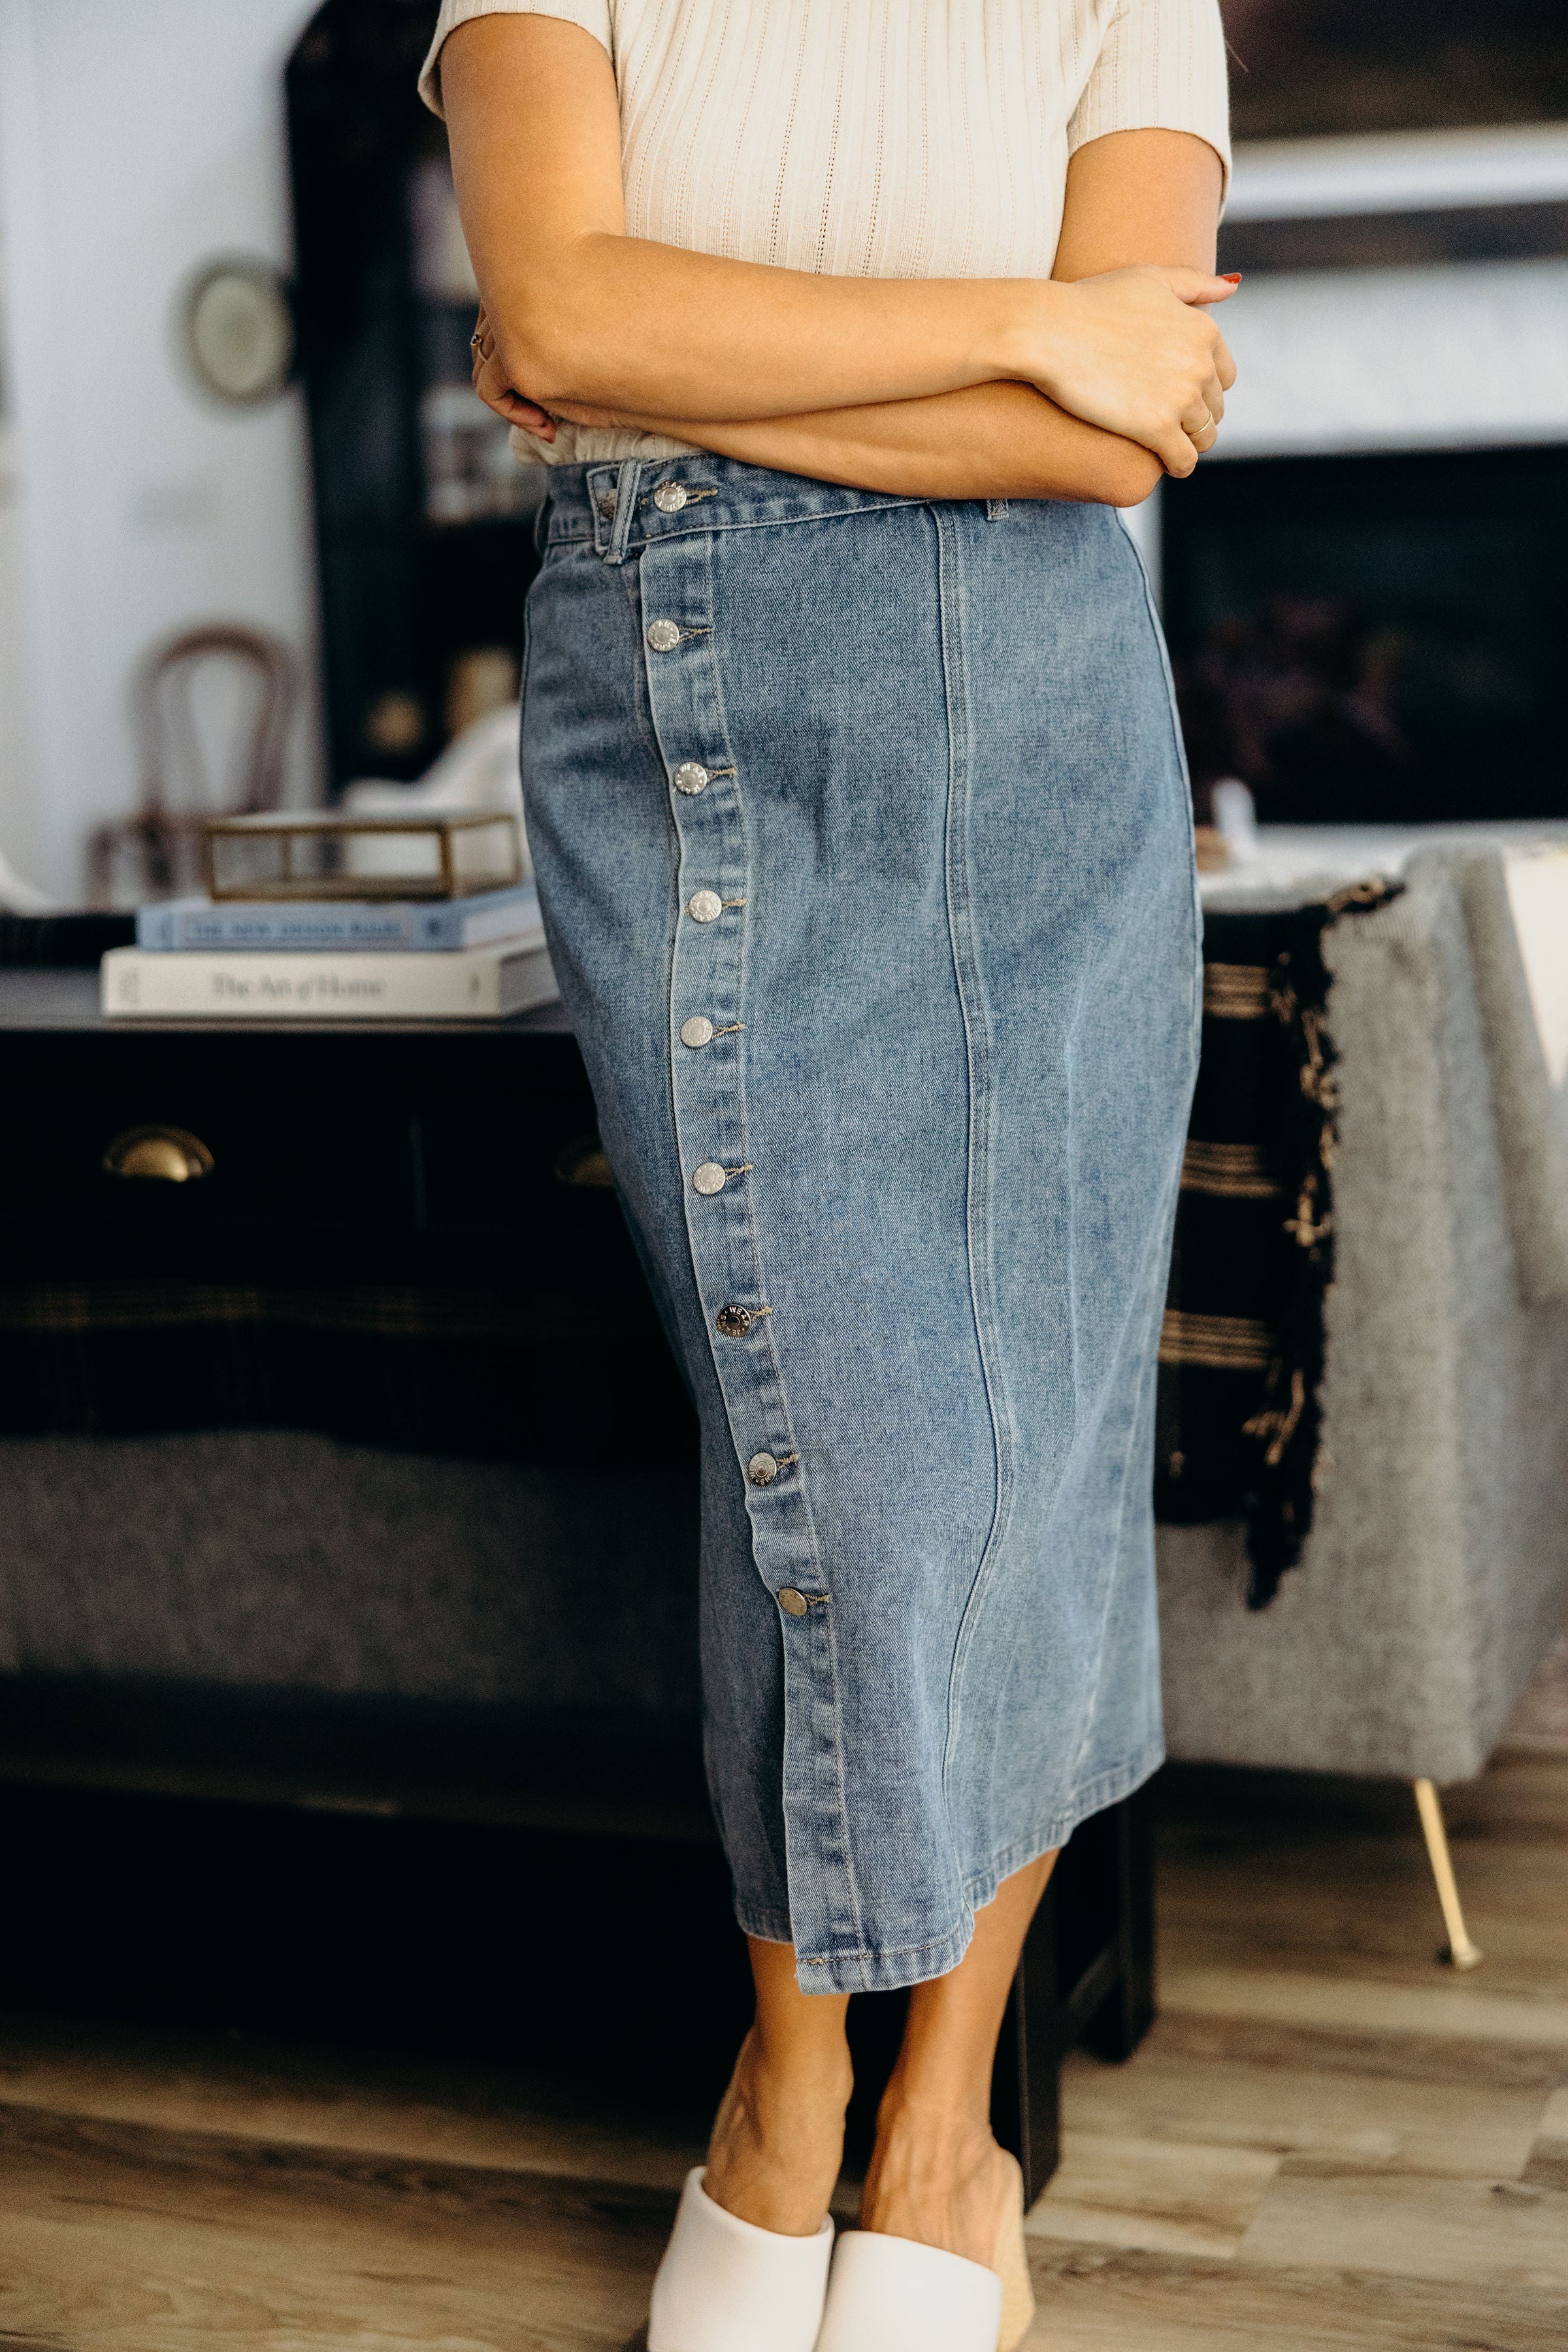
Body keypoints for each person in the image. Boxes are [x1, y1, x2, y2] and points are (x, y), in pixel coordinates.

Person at [423, 7, 1233, 2345]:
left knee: (1021, 1419)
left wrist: (697, 363)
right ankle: (790, 2080)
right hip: (684, 689)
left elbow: (1117, 444)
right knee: (816, 1413)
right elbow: (565, 313)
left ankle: (932, 2130)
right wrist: (1021, 329)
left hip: (1039, 695)